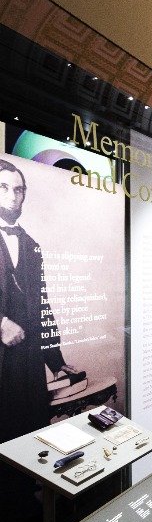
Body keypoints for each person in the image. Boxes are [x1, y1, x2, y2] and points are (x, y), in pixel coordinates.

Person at [0, 160, 80, 444]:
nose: (13, 196)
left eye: (19, 190)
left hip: (27, 364)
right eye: (4, 187)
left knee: (27, 443)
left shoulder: (32, 246)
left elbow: (42, 307)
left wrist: (55, 361)